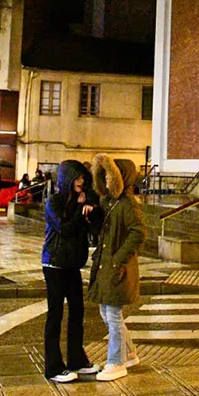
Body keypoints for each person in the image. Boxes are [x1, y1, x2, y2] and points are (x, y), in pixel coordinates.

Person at [42, 159, 104, 383]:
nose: (81, 181)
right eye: (77, 178)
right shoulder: (54, 201)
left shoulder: (84, 199)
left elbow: (92, 229)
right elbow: (65, 228)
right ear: (67, 179)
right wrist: (80, 210)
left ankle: (77, 360)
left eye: (83, 178)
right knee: (55, 314)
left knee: (77, 312)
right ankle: (53, 367)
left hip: (73, 265)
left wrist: (91, 211)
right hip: (55, 264)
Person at [88, 153, 146, 381]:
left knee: (112, 314)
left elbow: (139, 233)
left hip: (117, 268)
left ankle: (117, 362)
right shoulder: (109, 202)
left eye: (110, 176)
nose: (106, 180)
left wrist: (118, 259)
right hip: (107, 265)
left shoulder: (128, 204)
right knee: (106, 312)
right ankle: (128, 352)